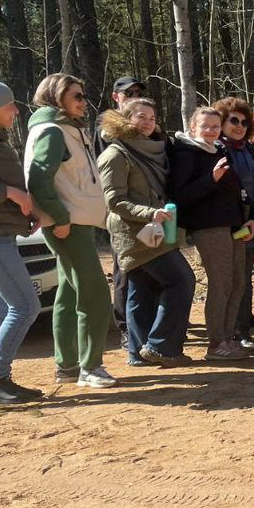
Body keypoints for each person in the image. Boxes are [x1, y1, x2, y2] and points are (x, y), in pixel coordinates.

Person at [24, 73, 115, 388]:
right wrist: (60, 217)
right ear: (56, 97)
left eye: (83, 95)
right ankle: (91, 367)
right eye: (76, 95)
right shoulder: (53, 131)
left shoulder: (68, 129)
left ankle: (67, 366)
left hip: (77, 223)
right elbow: (38, 179)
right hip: (69, 225)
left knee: (69, 291)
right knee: (95, 295)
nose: (83, 101)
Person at [97, 98, 195, 367]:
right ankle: (162, 346)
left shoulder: (153, 150)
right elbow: (115, 201)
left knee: (142, 290)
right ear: (125, 119)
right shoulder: (115, 154)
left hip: (156, 230)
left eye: (152, 118)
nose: (148, 123)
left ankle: (139, 353)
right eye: (141, 117)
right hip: (136, 234)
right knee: (181, 280)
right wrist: (149, 213)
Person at [170, 106, 254, 360]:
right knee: (221, 283)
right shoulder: (185, 153)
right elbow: (181, 195)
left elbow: (238, 190)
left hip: (235, 226)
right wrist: (212, 178)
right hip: (208, 227)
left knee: (238, 281)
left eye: (215, 127)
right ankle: (216, 343)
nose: (210, 131)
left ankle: (228, 339)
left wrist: (253, 219)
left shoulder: (219, 150)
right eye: (205, 126)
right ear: (193, 127)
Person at [0, 76, 44, 404]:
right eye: (9, 105)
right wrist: (9, 192)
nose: (17, 111)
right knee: (25, 305)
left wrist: (23, 209)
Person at [216, 97, 254, 352]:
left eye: (243, 121)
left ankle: (240, 331)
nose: (239, 125)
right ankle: (223, 335)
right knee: (227, 281)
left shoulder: (248, 150)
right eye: (233, 120)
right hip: (222, 225)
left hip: (248, 223)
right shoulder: (216, 149)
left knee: (244, 279)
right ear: (222, 121)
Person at [97, 75, 148, 335]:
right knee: (124, 270)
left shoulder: (148, 128)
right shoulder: (107, 132)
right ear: (116, 97)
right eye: (128, 93)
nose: (134, 95)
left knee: (149, 269)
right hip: (122, 211)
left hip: (151, 211)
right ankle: (125, 327)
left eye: (138, 92)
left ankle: (145, 324)